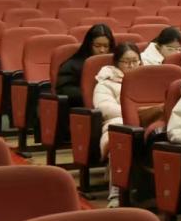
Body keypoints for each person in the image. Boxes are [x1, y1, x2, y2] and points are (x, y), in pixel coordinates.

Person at [92, 42, 143, 207]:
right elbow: (104, 108)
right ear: (116, 63)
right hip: (116, 122)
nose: (132, 65)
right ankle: (116, 193)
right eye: (126, 62)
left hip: (146, 121)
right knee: (121, 135)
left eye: (135, 61)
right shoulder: (106, 82)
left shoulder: (146, 79)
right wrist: (134, 114)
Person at [55, 24, 116, 109]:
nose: (102, 50)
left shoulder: (115, 64)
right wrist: (96, 94)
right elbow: (64, 91)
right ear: (89, 45)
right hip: (84, 109)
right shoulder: (72, 65)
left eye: (106, 46)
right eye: (97, 46)